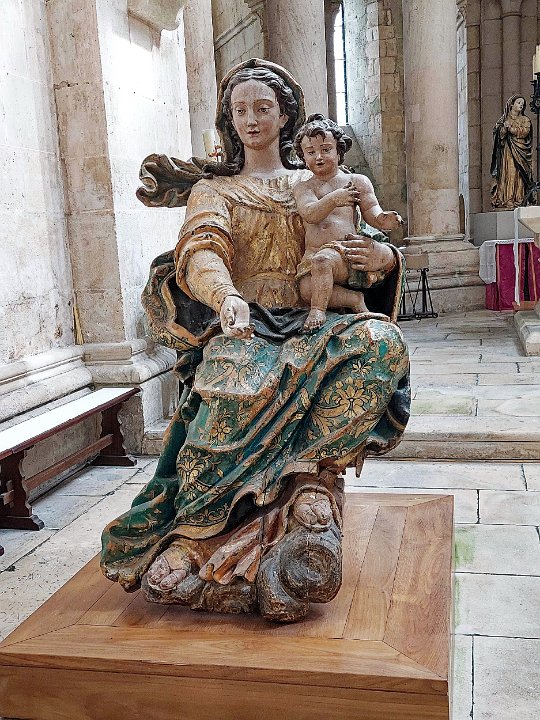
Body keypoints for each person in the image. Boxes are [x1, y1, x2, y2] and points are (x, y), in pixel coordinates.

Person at [101, 59, 410, 622]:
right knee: (230, 381)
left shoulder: (317, 182)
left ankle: (310, 479)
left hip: (313, 317)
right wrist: (225, 297)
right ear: (228, 118)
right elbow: (202, 250)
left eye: (263, 108)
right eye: (239, 109)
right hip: (246, 323)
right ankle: (198, 530)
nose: (251, 119)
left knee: (380, 346)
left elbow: (360, 241)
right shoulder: (216, 190)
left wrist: (383, 257)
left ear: (285, 115)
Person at [293, 114, 403, 332]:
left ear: (339, 151)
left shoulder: (356, 181)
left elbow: (372, 211)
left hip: (343, 251)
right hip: (313, 254)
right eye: (311, 152)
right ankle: (354, 299)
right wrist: (335, 199)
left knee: (323, 262)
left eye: (326, 149)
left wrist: (384, 219)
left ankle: (317, 312)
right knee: (306, 289)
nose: (319, 157)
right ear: (303, 156)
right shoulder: (304, 187)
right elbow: (310, 213)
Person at [490, 95, 533, 209]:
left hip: (521, 150)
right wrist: (504, 129)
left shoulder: (525, 119)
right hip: (508, 151)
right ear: (511, 104)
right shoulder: (503, 120)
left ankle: (519, 199)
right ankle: (507, 198)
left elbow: (525, 132)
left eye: (522, 104)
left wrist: (511, 129)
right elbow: (498, 135)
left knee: (520, 174)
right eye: (518, 103)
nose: (521, 105)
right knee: (509, 173)